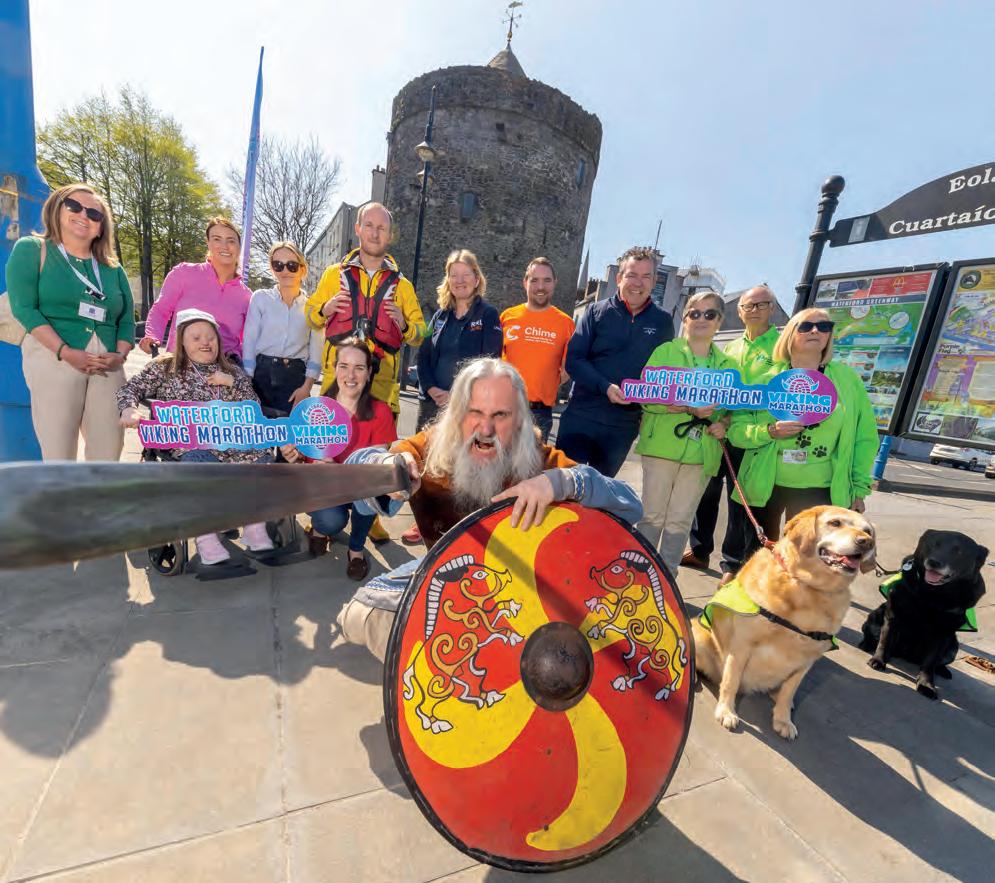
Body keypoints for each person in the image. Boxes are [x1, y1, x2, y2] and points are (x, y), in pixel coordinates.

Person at [334, 357, 643, 661]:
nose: (486, 428)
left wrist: (564, 482)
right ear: (457, 415)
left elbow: (631, 506)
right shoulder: (428, 449)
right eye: (475, 412)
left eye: (500, 415)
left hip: (526, 597)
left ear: (519, 420)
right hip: (447, 580)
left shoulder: (539, 461)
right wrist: (386, 468)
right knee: (361, 615)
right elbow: (359, 476)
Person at [119, 309, 275, 566]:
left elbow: (253, 408)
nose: (205, 342)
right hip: (190, 444)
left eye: (210, 337)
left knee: (262, 458)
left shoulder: (232, 370)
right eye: (196, 337)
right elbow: (130, 388)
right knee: (202, 464)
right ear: (181, 341)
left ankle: (253, 527)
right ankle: (206, 538)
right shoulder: (165, 368)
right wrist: (128, 409)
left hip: (234, 443)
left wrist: (232, 383)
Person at [728, 307, 878, 562]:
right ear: (790, 334)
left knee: (807, 560)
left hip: (821, 489)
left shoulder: (847, 381)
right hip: (767, 485)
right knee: (759, 558)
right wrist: (769, 432)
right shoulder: (765, 379)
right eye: (807, 326)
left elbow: (865, 438)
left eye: (824, 327)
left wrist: (859, 489)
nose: (816, 331)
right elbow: (736, 432)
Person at [6, 183, 134, 461]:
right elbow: (24, 309)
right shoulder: (32, 249)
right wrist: (64, 351)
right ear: (57, 210)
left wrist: (120, 355)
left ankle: (99, 492)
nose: (83, 215)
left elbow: (126, 321)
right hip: (55, 357)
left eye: (94, 214)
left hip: (108, 365)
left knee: (108, 452)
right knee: (58, 453)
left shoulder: (113, 268)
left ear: (101, 227)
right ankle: (60, 492)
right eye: (74, 206)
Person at [403, 249, 503, 544]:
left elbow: (489, 361)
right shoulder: (439, 316)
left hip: (468, 407)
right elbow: (423, 357)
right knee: (428, 464)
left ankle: (461, 525)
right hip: (432, 403)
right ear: (447, 280)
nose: (459, 280)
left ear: (476, 278)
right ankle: (423, 520)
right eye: (453, 275)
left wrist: (457, 395)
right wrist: (431, 388)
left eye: (465, 274)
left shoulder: (488, 315)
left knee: (463, 467)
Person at [279, 338, 397, 580]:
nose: (350, 375)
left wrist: (340, 471)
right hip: (325, 489)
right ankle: (320, 530)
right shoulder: (314, 409)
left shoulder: (381, 411)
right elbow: (304, 461)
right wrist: (294, 456)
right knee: (330, 520)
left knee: (371, 490)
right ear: (334, 368)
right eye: (344, 366)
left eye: (359, 368)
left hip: (360, 488)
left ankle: (356, 550)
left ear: (369, 372)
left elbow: (376, 469)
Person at [683, 285, 780, 576]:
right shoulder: (731, 348)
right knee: (706, 493)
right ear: (739, 311)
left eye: (761, 305)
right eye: (748, 305)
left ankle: (733, 564)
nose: (754, 310)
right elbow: (720, 391)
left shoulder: (782, 348)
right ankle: (700, 550)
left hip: (753, 437)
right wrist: (719, 420)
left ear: (772, 308)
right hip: (719, 433)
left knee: (741, 502)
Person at [635, 292, 733, 577]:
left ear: (720, 321)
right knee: (652, 515)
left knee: (680, 520)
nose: (701, 319)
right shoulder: (665, 352)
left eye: (709, 314)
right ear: (685, 318)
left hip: (701, 454)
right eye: (695, 313)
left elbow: (735, 411)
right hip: (661, 447)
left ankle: (667, 579)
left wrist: (725, 424)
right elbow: (644, 395)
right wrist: (685, 407)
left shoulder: (729, 366)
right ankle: (641, 575)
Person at [558, 246, 675, 477]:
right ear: (619, 278)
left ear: (654, 282)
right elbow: (574, 360)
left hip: (622, 426)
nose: (638, 283)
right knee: (565, 487)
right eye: (632, 275)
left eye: (646, 276)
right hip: (581, 417)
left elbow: (665, 373)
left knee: (601, 492)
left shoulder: (663, 322)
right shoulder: (595, 312)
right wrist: (605, 387)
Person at [304, 202, 425, 416]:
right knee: (333, 439)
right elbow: (310, 317)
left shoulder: (403, 286)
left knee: (377, 441)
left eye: (381, 228)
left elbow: (422, 333)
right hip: (335, 393)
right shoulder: (333, 275)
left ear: (390, 235)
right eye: (369, 225)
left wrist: (405, 326)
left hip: (382, 396)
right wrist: (323, 310)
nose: (375, 234)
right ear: (358, 228)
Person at [140, 217, 252, 362]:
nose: (224, 246)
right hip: (180, 364)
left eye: (231, 241)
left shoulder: (247, 296)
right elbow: (161, 309)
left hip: (224, 369)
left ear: (239, 246)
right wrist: (152, 336)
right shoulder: (184, 273)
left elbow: (249, 340)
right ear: (208, 243)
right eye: (217, 239)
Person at [500, 257, 575, 442]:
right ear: (525, 282)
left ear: (555, 282)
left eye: (546, 280)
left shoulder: (565, 324)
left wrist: (546, 384)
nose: (540, 287)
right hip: (503, 409)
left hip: (540, 415)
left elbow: (569, 369)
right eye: (534, 280)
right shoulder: (507, 317)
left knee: (534, 462)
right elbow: (494, 361)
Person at [242, 241, 322, 414]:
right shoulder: (260, 299)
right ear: (272, 270)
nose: (285, 271)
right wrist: (247, 384)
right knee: (258, 429)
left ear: (302, 269)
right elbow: (249, 342)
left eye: (292, 265)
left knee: (292, 430)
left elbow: (316, 352)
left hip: (295, 380)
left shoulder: (313, 307)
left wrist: (306, 388)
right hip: (260, 377)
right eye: (278, 265)